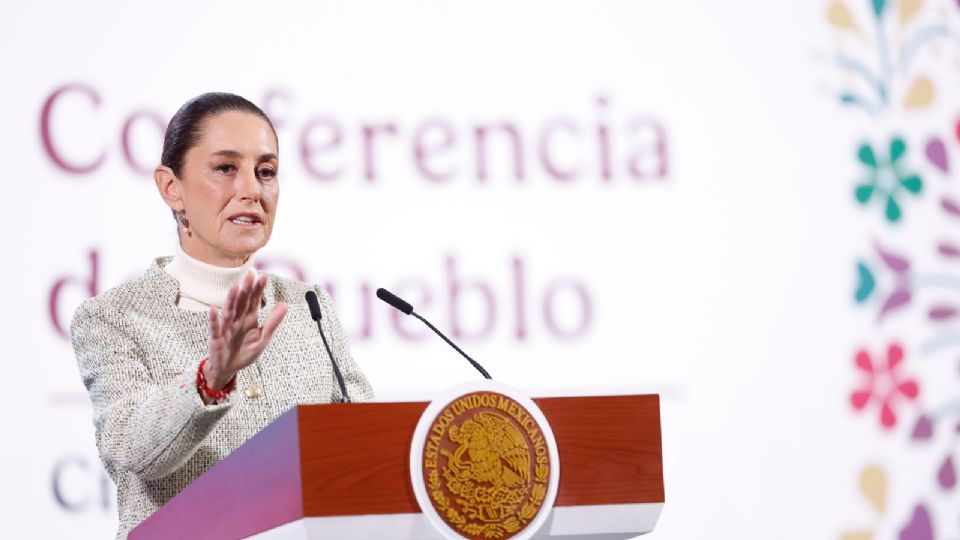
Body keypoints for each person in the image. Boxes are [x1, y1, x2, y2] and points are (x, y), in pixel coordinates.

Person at [70, 92, 374, 539]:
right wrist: (211, 379)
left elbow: (369, 447)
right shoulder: (113, 318)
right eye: (226, 168)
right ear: (171, 188)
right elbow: (131, 449)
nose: (252, 189)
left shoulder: (307, 305)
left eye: (265, 171)